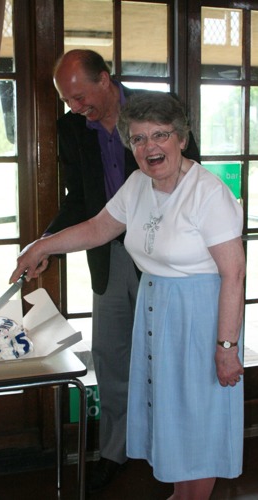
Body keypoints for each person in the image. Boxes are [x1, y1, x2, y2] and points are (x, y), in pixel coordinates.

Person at [10, 91, 245, 499]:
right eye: (138, 139)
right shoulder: (138, 184)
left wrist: (227, 346)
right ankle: (180, 493)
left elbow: (235, 273)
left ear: (182, 139)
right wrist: (41, 246)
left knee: (197, 416)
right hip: (158, 313)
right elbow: (99, 227)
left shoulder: (208, 193)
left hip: (198, 317)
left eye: (160, 135)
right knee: (172, 413)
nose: (149, 147)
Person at [41, 49, 201, 492]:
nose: (75, 107)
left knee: (166, 361)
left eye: (79, 96)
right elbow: (79, 199)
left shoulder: (158, 111)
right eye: (68, 100)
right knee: (112, 360)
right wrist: (46, 245)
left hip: (162, 255)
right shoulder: (73, 128)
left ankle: (169, 453)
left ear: (105, 79)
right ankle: (114, 451)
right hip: (108, 256)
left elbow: (190, 178)